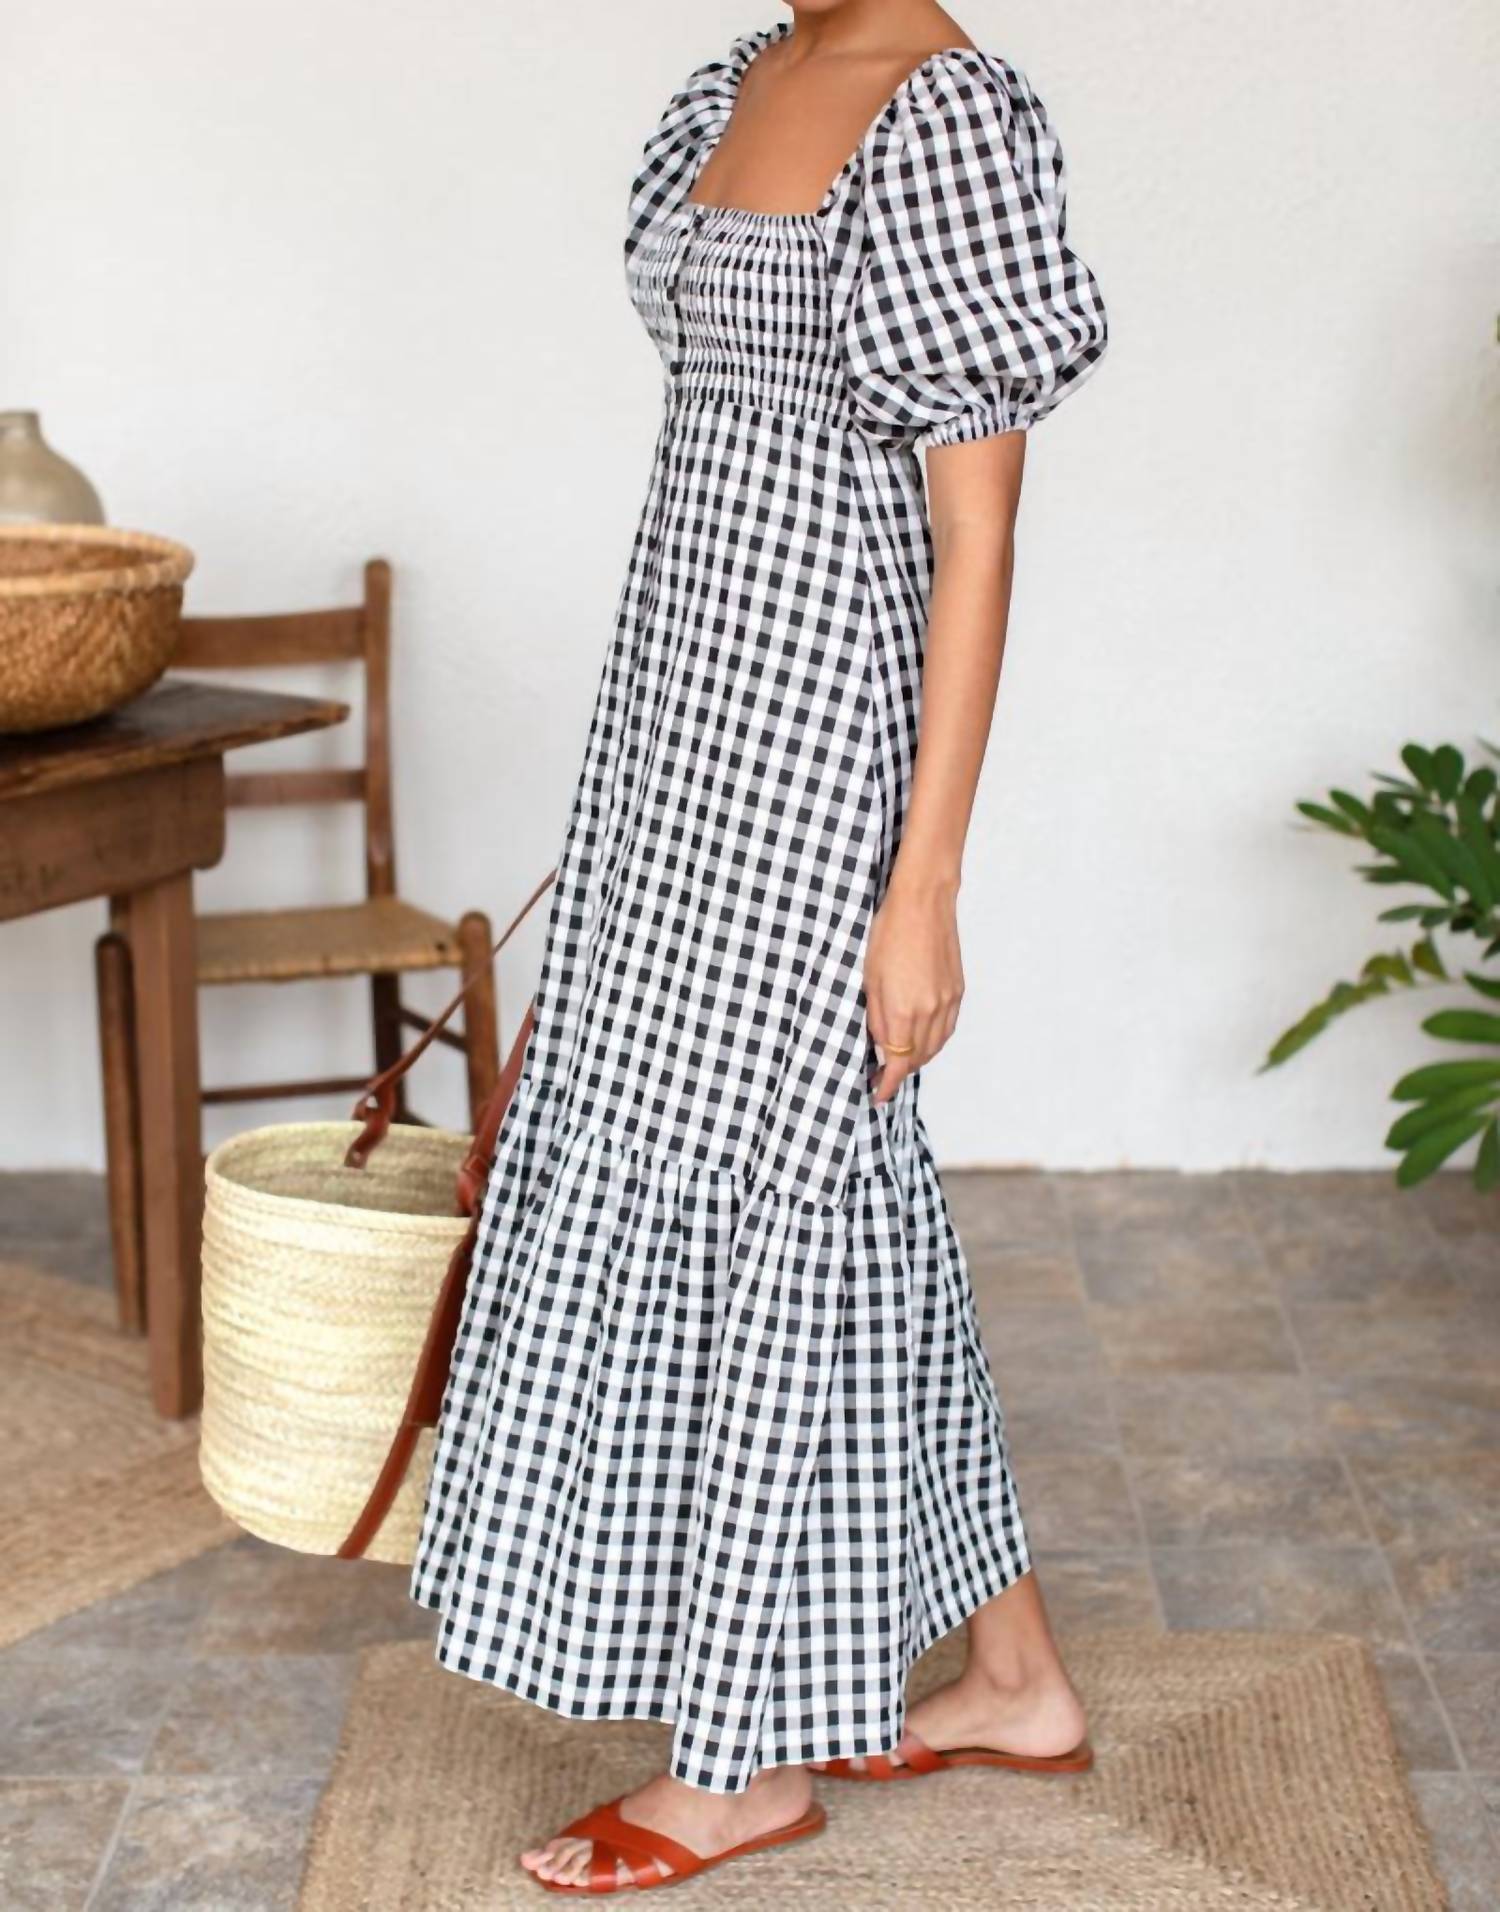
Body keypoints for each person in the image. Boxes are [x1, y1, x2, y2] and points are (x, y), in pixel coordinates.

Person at [410, 1, 1109, 1893]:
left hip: (819, 757)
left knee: (788, 1189)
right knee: (842, 1186)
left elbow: (978, 543)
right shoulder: (738, 80)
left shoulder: (946, 118)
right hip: (675, 724)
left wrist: (925, 881)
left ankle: (744, 1765)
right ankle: (1018, 1676)